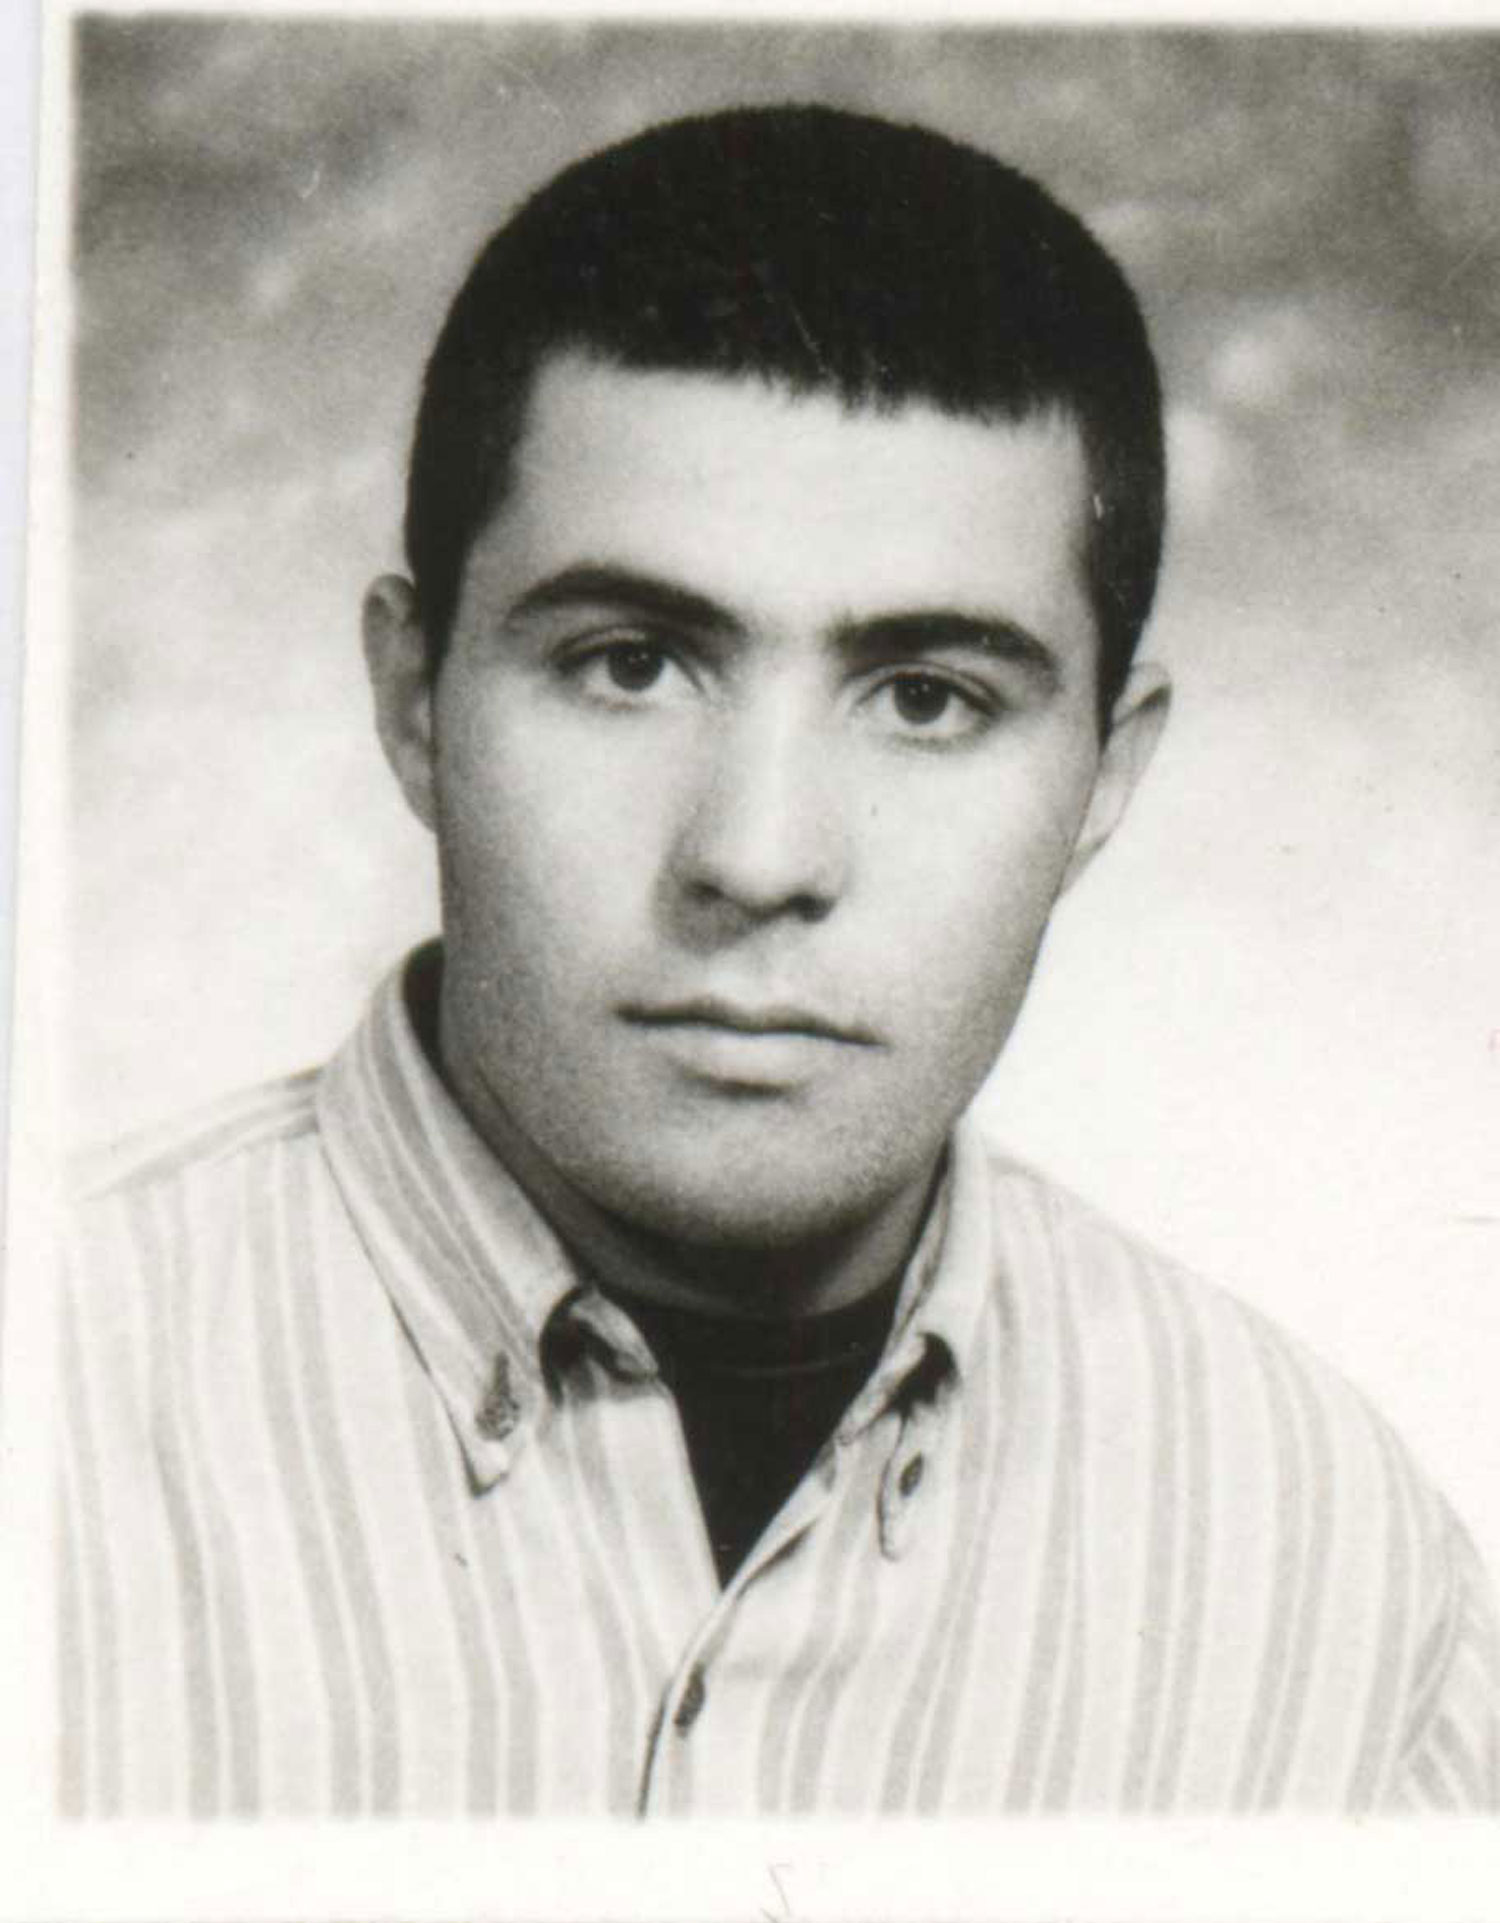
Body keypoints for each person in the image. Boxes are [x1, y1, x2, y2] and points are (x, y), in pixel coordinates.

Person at [61, 103, 1497, 1818]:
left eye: (928, 699)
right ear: (414, 702)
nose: (756, 856)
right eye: (630, 664)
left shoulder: (1334, 1569)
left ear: (1106, 778)